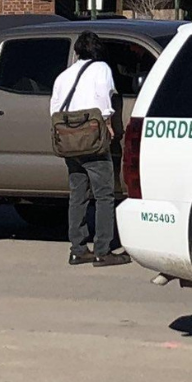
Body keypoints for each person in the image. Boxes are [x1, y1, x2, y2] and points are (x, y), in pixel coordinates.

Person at [49, 32, 130, 268]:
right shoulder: (101, 68)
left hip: (69, 142)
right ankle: (103, 250)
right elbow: (103, 97)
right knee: (104, 195)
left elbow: (54, 108)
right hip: (92, 139)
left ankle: (77, 249)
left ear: (77, 52)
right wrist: (107, 123)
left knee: (78, 195)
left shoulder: (64, 75)